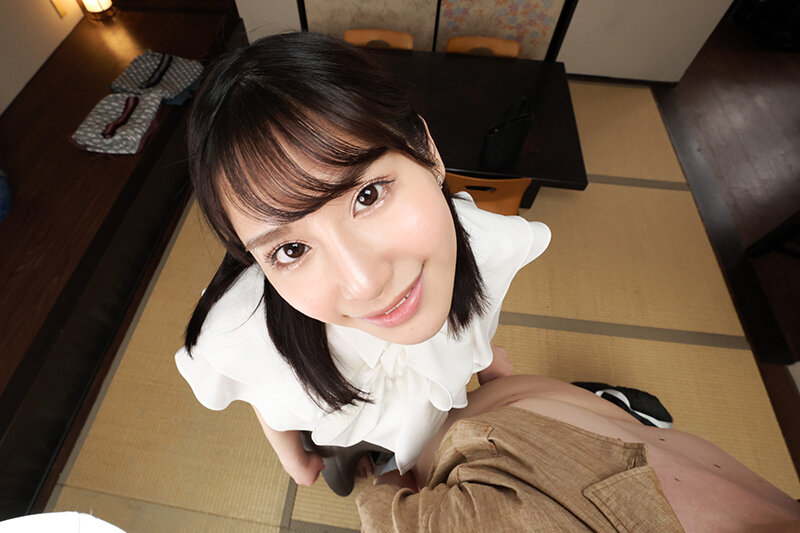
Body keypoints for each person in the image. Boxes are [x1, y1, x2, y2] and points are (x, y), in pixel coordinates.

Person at [174, 32, 550, 495]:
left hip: (439, 420)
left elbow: (478, 305)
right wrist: (296, 460)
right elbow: (261, 389)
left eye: (367, 196)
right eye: (291, 250)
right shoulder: (243, 330)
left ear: (427, 151)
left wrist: (484, 355)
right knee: (341, 475)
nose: (365, 284)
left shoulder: (486, 243)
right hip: (339, 437)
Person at [357, 375, 800, 532]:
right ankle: (610, 407)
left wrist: (390, 477)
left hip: (436, 439)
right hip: (574, 415)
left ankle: (381, 457)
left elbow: (381, 512)